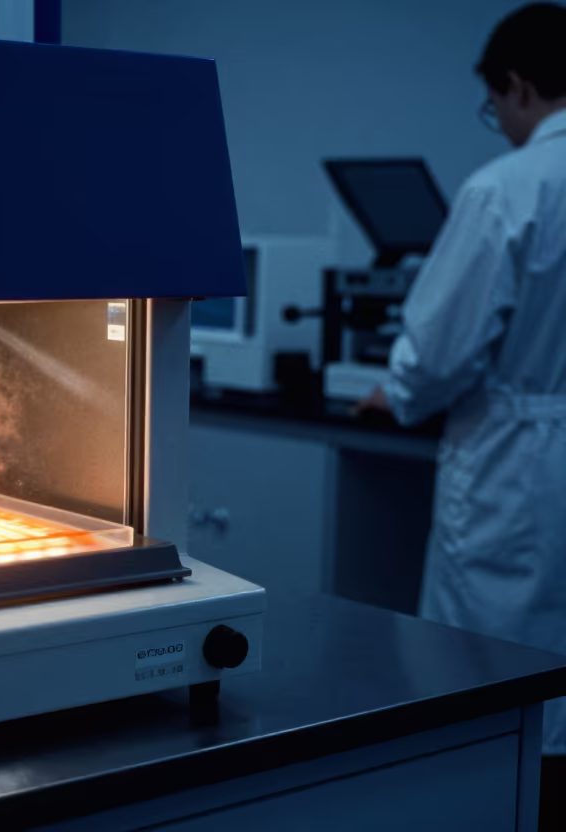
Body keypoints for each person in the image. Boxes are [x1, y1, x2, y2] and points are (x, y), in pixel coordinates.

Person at [357, 2, 566, 826]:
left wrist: (397, 392)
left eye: (496, 105)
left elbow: (442, 349)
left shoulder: (507, 188)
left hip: (519, 454)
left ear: (516, 86)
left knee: (492, 660)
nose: (501, 123)